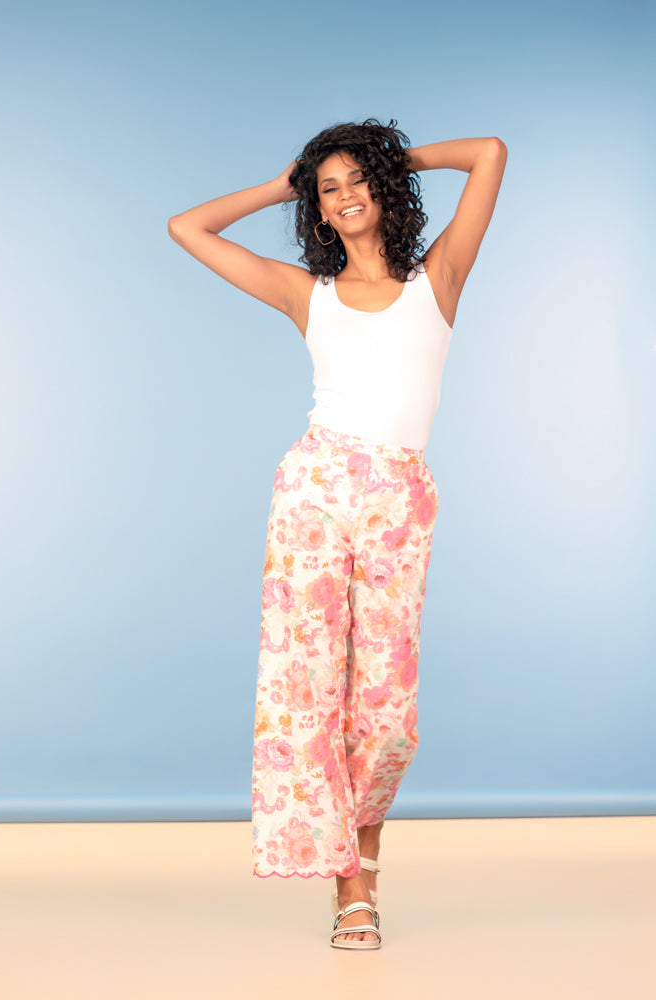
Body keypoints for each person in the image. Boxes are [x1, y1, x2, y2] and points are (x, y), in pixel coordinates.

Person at [168, 119, 507, 950]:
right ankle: (351, 885)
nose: (346, 195)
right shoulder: (304, 293)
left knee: (385, 711)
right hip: (315, 489)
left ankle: (366, 856)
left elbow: (489, 153)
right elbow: (188, 228)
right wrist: (286, 181)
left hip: (399, 496)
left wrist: (392, 158)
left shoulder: (440, 278)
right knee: (309, 694)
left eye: (360, 180)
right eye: (329, 188)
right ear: (315, 209)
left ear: (384, 190)